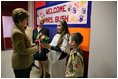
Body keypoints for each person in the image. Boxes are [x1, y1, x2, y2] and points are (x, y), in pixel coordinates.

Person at [11, 8, 39, 78]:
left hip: (25, 62)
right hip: (21, 64)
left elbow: (25, 44)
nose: (27, 21)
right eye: (26, 19)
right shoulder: (17, 33)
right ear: (20, 21)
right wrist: (37, 48)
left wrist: (34, 44)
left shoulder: (20, 28)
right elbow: (22, 51)